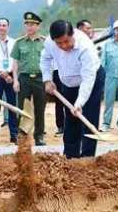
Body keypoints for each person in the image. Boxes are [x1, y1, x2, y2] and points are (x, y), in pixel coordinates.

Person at [40, 20, 104, 159]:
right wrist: (47, 79)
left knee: (89, 119)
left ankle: (87, 158)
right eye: (59, 43)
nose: (64, 46)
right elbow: (45, 59)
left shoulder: (85, 47)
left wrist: (80, 102)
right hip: (68, 82)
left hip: (91, 81)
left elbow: (88, 79)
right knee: (70, 118)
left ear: (72, 34)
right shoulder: (50, 43)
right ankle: (70, 156)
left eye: (66, 41)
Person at [11, 12, 45, 146]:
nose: (29, 27)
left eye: (32, 24)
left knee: (39, 108)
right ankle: (23, 136)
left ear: (38, 26)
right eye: (27, 24)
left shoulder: (44, 42)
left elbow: (50, 61)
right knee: (23, 108)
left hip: (40, 78)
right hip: (24, 79)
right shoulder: (19, 43)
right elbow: (16, 62)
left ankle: (39, 137)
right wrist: (15, 80)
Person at [0, 18, 18, 144]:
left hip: (11, 76)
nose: (1, 27)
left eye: (4, 25)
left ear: (8, 27)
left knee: (12, 106)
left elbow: (16, 60)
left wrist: (9, 72)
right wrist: (2, 73)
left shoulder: (14, 43)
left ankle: (14, 134)